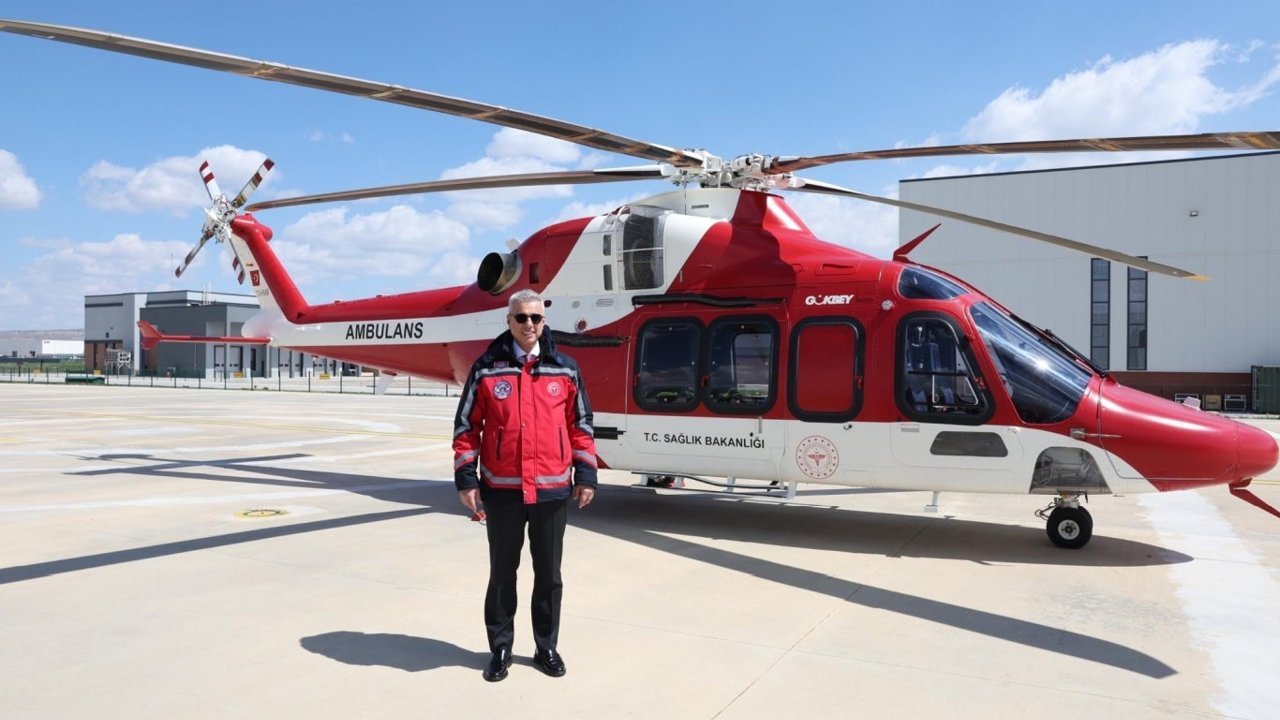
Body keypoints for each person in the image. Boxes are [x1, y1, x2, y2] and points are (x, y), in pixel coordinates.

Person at [453, 288, 598, 682]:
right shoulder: (487, 368)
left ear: (544, 321)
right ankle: (500, 648)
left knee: (549, 575)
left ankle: (546, 646)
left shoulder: (565, 369)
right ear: (509, 321)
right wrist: (466, 478)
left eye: (535, 317)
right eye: (521, 317)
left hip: (552, 490)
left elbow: (581, 425)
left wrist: (586, 475)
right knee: (503, 573)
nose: (529, 324)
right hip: (502, 491)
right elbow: (466, 427)